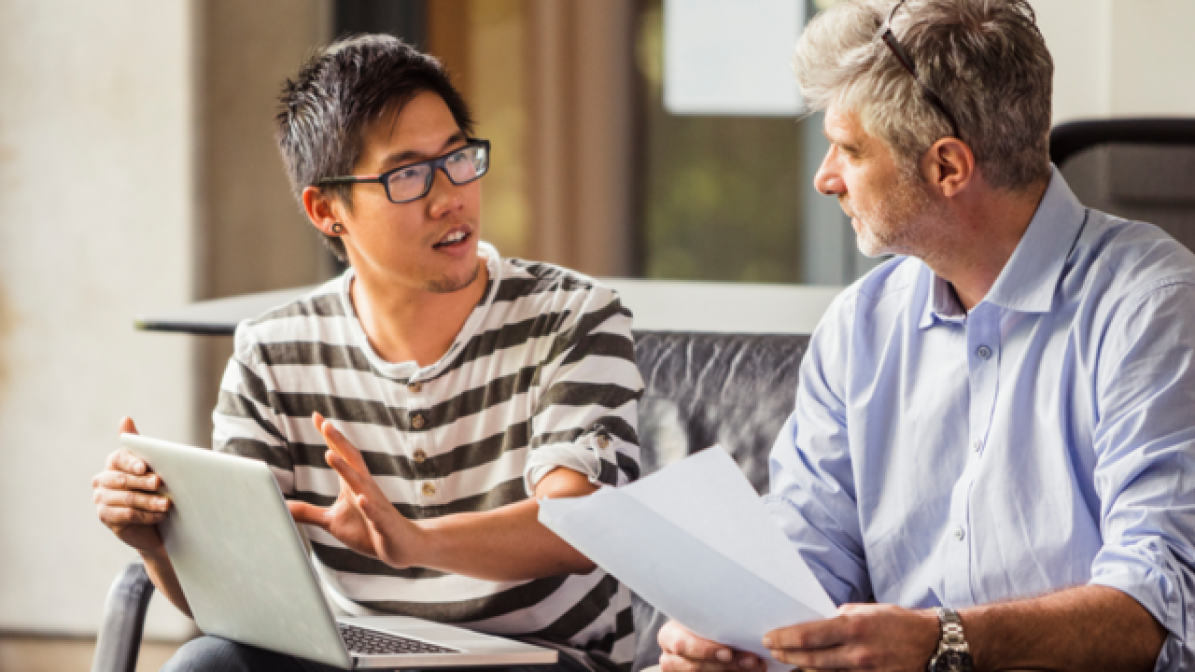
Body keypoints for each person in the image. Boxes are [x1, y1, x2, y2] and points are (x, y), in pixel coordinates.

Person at [658, 0, 1194, 670]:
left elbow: (1157, 605)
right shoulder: (859, 325)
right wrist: (733, 635)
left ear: (946, 167)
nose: (824, 178)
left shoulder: (1152, 308)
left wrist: (945, 640)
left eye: (849, 149)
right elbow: (807, 553)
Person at [92, 34, 643, 672]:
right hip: (355, 654)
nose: (451, 197)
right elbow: (237, 593)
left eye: (458, 158)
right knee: (207, 663)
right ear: (327, 209)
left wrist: (413, 542)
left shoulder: (573, 316)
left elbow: (577, 523)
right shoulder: (273, 353)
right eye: (407, 174)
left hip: (542, 659)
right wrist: (157, 545)